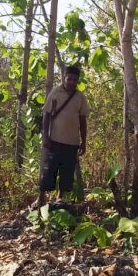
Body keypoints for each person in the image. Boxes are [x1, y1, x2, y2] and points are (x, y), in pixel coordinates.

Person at [36, 66, 90, 207]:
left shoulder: (80, 97)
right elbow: (46, 115)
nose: (72, 82)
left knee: (66, 172)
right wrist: (46, 137)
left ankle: (60, 197)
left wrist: (83, 142)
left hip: (72, 142)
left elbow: (83, 120)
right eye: (69, 79)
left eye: (75, 80)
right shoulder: (55, 92)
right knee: (49, 170)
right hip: (54, 140)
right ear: (64, 78)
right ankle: (41, 197)